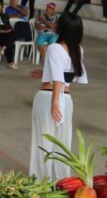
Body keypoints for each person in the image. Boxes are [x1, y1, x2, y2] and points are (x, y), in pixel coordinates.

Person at [29, 13, 87, 181]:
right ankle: (63, 181)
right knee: (62, 142)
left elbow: (57, 79)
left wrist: (55, 103)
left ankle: (42, 182)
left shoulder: (55, 47)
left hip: (48, 98)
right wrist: (45, 72)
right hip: (67, 100)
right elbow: (68, 76)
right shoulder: (79, 50)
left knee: (43, 141)